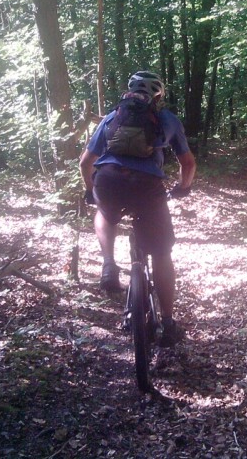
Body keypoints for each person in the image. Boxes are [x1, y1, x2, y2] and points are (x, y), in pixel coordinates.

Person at [79, 71, 196, 347]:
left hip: (109, 179)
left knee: (104, 213)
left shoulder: (112, 117)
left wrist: (90, 191)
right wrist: (183, 188)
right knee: (162, 254)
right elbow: (188, 163)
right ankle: (168, 323)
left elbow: (85, 163)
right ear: (157, 96)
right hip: (147, 186)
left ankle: (108, 264)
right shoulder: (167, 119)